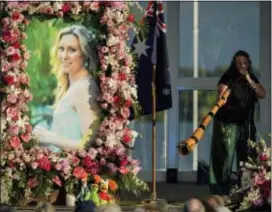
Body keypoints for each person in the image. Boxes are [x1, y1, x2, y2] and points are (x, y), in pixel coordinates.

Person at [33, 25, 101, 152]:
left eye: (72, 50)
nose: (64, 56)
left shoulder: (83, 88)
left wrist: (49, 137)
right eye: (61, 49)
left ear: (84, 54)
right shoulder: (74, 85)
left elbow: (89, 145)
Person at [209, 50, 266, 195]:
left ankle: (245, 189)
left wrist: (249, 79)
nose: (242, 64)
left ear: (248, 64)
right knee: (225, 157)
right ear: (234, 64)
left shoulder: (251, 78)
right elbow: (221, 94)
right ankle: (220, 191)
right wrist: (224, 93)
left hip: (246, 123)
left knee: (247, 157)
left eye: (245, 62)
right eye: (239, 62)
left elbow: (262, 94)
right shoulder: (229, 76)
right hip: (227, 122)